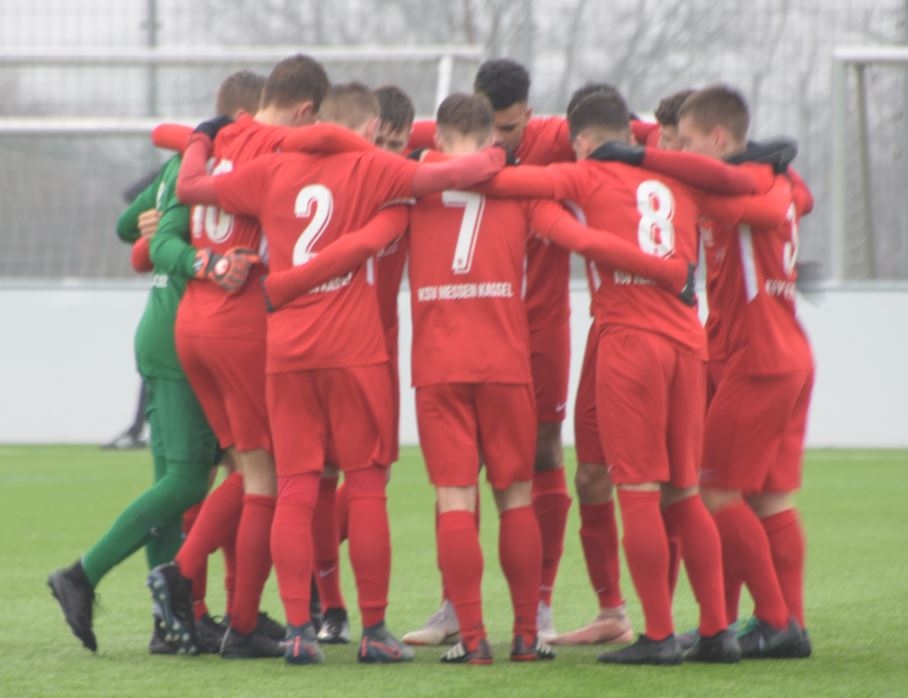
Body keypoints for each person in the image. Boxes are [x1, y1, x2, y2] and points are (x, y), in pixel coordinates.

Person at [260, 91, 701, 665]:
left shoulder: (411, 190)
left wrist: (284, 286)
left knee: (454, 498)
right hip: (506, 364)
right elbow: (584, 241)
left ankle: (471, 640)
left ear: (438, 138)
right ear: (492, 138)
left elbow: (359, 244)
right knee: (516, 497)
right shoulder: (516, 190)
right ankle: (525, 636)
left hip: (439, 367)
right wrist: (666, 272)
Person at [173, 81, 511, 666]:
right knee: (366, 486)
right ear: (369, 128)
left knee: (295, 487)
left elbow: (191, 188)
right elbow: (458, 172)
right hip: (355, 349)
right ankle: (373, 631)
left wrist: (202, 138)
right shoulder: (373, 167)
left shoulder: (269, 169)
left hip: (287, 351)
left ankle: (299, 632)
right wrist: (497, 153)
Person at [464, 86, 797, 665]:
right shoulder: (679, 175)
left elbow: (499, 184)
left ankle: (659, 635)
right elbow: (746, 184)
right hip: (688, 344)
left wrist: (481, 171)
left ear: (580, 141)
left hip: (630, 343)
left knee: (638, 492)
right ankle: (717, 631)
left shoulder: (583, 175)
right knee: (685, 492)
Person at [47, 70, 264, 655]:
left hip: (160, 328)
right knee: (190, 480)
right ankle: (81, 575)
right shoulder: (227, 167)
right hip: (183, 333)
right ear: (248, 118)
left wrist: (151, 223)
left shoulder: (178, 168)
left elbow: (127, 227)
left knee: (173, 483)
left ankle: (167, 625)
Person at [146, 54, 330, 660]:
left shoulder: (222, 135)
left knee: (245, 467)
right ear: (305, 110)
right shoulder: (283, 146)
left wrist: (200, 133)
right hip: (240, 321)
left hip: (194, 321)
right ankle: (218, 603)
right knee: (265, 474)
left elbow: (173, 142)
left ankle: (214, 601)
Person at [675, 84, 814, 659]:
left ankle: (776, 622)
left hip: (758, 358)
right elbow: (798, 196)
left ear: (717, 138)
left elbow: (762, 203)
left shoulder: (747, 188)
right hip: (784, 353)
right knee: (768, 498)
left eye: (686, 141)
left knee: (715, 491)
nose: (679, 152)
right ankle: (784, 622)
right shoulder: (771, 180)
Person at [315, 84, 417, 647]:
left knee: (368, 477)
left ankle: (318, 584)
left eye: (398, 145)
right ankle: (331, 605)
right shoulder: (334, 179)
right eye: (381, 142)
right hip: (327, 341)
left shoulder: (409, 183)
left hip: (380, 347)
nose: (387, 154)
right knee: (318, 476)